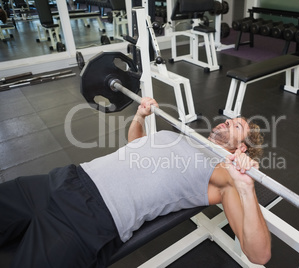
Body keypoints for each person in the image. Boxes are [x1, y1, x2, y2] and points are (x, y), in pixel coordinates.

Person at [0, 97, 271, 267]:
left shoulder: (226, 175)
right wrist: (140, 118)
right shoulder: (184, 137)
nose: (226, 123)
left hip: (87, 220)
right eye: (230, 120)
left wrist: (246, 187)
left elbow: (259, 255)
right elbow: (136, 146)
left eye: (236, 127)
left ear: (241, 150)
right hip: (64, 179)